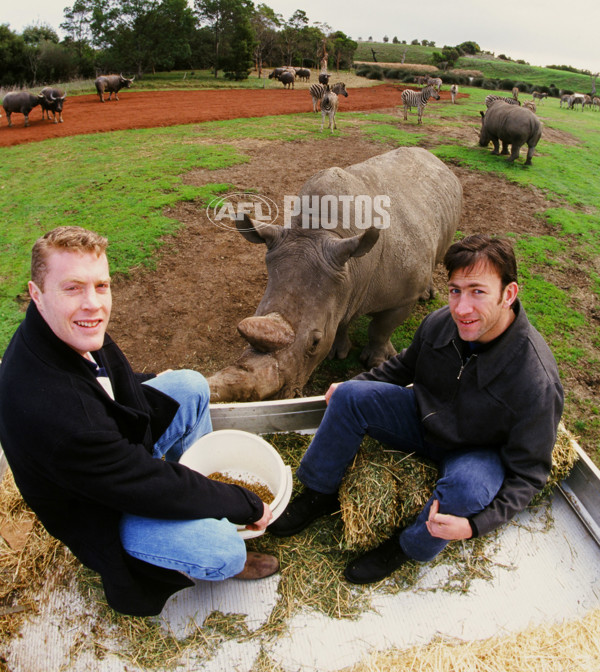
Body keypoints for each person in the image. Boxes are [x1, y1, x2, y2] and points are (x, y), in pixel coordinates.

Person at [0, 226, 278, 617]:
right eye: (73, 288)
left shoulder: (62, 331)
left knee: (189, 385)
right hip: (99, 509)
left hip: (114, 458)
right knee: (224, 549)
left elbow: (114, 383)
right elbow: (142, 482)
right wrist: (242, 502)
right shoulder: (62, 415)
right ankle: (195, 545)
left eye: (102, 285)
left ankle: (193, 491)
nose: (93, 304)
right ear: (37, 294)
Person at [270, 233, 564, 585]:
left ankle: (406, 547)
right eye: (455, 290)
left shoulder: (536, 381)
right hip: (423, 417)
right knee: (349, 395)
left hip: (475, 451)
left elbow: (529, 474)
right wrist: (355, 385)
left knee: (468, 489)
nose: (462, 307)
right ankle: (318, 492)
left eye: (477, 291)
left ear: (509, 294)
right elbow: (404, 366)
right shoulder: (442, 322)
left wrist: (473, 527)